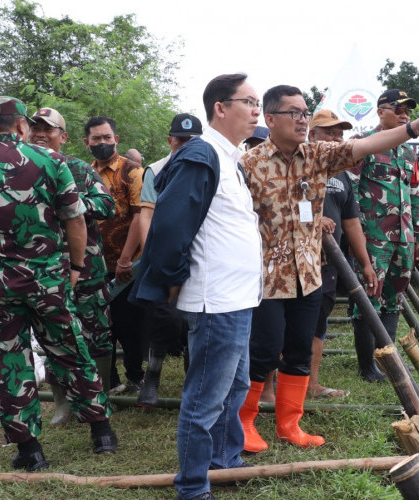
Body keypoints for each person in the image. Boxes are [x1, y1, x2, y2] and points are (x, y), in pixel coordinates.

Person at [238, 85, 419, 452]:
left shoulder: (318, 155)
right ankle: (246, 423)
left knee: (299, 349)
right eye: (293, 113)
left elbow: (364, 146)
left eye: (304, 113)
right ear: (270, 119)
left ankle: (289, 424)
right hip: (265, 276)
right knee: (264, 349)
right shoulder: (248, 163)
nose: (302, 120)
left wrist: (411, 129)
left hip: (309, 272)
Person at [131, 73, 263, 500]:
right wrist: (170, 283)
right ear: (220, 108)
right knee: (205, 399)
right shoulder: (201, 154)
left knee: (235, 388)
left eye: (259, 102)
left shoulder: (232, 159)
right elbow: (168, 229)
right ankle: (193, 486)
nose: (256, 110)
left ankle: (225, 462)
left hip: (239, 299)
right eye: (249, 101)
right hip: (216, 300)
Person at [0, 96, 117, 472]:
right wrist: (76, 266)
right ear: (20, 126)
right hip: (49, 280)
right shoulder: (53, 161)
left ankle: (30, 451)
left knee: (10, 361)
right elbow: (75, 220)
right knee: (70, 350)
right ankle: (102, 433)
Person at [29, 107, 116, 423]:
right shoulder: (18, 171)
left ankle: (100, 400)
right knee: (52, 339)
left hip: (87, 270)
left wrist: (70, 202)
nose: (40, 132)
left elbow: (108, 205)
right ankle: (63, 403)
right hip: (44, 272)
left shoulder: (80, 170)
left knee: (98, 336)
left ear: (62, 137)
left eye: (48, 129)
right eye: (35, 126)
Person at [350, 89, 419, 382]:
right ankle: (367, 366)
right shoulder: (364, 145)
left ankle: (388, 360)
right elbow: (351, 193)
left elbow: (415, 194)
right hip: (373, 237)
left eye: (408, 111)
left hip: (404, 239)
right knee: (368, 297)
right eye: (398, 110)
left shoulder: (408, 152)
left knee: (395, 297)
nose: (405, 116)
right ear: (381, 112)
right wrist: (356, 234)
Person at [307, 109, 376, 399]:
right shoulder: (297, 166)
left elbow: (351, 222)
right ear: (312, 135)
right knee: (283, 322)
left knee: (319, 321)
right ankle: (271, 387)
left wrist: (365, 263)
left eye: (340, 133)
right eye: (329, 132)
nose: (337, 137)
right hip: (294, 260)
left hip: (330, 263)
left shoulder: (343, 176)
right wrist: (312, 218)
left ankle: (311, 384)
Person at [136, 112, 202, 408]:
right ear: (170, 140)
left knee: (196, 320)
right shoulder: (157, 168)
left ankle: (193, 384)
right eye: (180, 139)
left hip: (198, 252)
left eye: (191, 140)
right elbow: (147, 213)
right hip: (165, 251)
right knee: (163, 318)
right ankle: (153, 374)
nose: (185, 144)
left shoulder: (204, 165)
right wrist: (158, 252)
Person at [84, 115, 145, 394]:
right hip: (94, 263)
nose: (102, 143)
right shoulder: (83, 173)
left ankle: (135, 376)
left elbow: (139, 218)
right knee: (100, 326)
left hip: (128, 262)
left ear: (116, 139)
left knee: (129, 323)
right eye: (96, 138)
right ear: (87, 143)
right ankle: (111, 382)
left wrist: (125, 260)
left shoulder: (132, 171)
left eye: (107, 137)